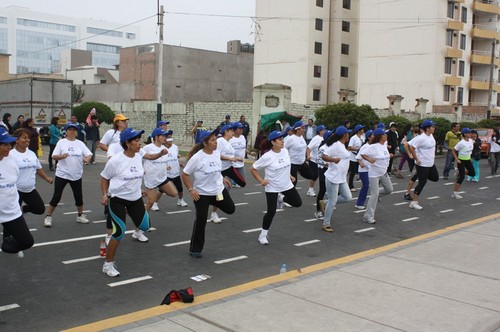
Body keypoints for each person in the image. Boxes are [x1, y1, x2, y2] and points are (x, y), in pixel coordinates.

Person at [100, 128, 150, 277]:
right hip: (117, 200)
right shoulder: (115, 160)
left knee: (145, 226)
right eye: (136, 140)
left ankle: (127, 213)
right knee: (119, 232)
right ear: (127, 143)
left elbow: (135, 176)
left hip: (135, 199)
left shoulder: (138, 156)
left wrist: (139, 189)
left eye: (139, 140)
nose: (139, 143)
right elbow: (104, 178)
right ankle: (108, 264)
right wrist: (104, 194)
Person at [181, 129, 236, 258]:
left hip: (217, 191)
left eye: (216, 139)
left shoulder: (216, 153)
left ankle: (213, 201)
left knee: (230, 209)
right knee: (201, 221)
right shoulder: (197, 158)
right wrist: (191, 189)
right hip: (202, 194)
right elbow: (185, 174)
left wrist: (222, 178)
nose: (215, 142)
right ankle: (195, 249)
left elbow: (216, 170)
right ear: (205, 143)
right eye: (212, 140)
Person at [251, 130, 302, 245]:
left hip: (286, 185)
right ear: (273, 142)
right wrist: (261, 180)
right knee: (271, 211)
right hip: (272, 187)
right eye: (279, 139)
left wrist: (289, 175)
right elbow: (253, 168)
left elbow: (284, 165)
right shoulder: (267, 156)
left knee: (298, 203)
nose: (282, 141)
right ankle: (262, 235)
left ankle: (281, 198)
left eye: (282, 139)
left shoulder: (285, 151)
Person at [43, 123, 92, 227]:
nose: (72, 131)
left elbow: (89, 155)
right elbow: (54, 156)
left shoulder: (80, 143)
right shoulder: (61, 142)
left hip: (76, 175)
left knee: (79, 197)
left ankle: (80, 215)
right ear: (66, 131)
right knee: (56, 196)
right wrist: (61, 157)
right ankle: (48, 217)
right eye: (70, 129)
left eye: (74, 130)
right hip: (62, 174)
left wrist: (86, 159)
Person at [0, 127, 34, 257]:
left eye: (10, 143)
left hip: (11, 211)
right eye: (5, 144)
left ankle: (5, 244)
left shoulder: (12, 160)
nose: (9, 147)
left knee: (26, 241)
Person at [11, 128, 53, 216]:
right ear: (17, 140)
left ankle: (24, 208)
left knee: (39, 209)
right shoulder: (11, 154)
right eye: (24, 138)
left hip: (29, 189)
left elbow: (38, 168)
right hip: (15, 190)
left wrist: (46, 178)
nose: (27, 140)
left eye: (28, 138)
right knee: (14, 217)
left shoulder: (31, 154)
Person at [210, 123, 246, 223]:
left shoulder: (229, 142)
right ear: (226, 131)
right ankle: (214, 213)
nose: (233, 133)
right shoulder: (220, 141)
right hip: (220, 169)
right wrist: (230, 158)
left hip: (229, 167)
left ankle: (224, 194)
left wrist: (236, 159)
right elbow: (217, 155)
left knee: (242, 183)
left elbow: (231, 154)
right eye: (231, 131)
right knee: (219, 192)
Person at [321, 126, 353, 232]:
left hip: (341, 178)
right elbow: (324, 156)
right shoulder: (336, 145)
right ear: (344, 135)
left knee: (348, 197)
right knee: (333, 201)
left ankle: (325, 202)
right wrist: (333, 160)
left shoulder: (342, 145)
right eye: (347, 133)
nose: (349, 135)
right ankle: (326, 223)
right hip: (333, 178)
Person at [360, 128, 393, 224]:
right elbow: (362, 154)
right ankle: (367, 216)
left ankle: (377, 194)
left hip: (383, 172)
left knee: (389, 190)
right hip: (374, 174)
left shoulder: (384, 145)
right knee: (374, 195)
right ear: (380, 136)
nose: (386, 136)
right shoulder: (373, 146)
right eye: (384, 134)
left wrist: (389, 155)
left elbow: (382, 156)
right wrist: (369, 159)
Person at [142, 128, 176, 217]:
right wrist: (142, 170)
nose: (165, 138)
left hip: (162, 179)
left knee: (173, 193)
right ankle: (141, 225)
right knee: (150, 202)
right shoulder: (147, 148)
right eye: (163, 135)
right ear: (156, 137)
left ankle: (147, 193)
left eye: (165, 136)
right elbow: (139, 160)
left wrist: (166, 166)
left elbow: (162, 161)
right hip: (151, 180)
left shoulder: (164, 148)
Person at [407, 119, 439, 210]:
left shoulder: (431, 136)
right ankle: (414, 202)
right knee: (422, 182)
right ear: (427, 128)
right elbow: (411, 148)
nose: (434, 128)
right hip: (422, 164)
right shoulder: (421, 138)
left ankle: (421, 175)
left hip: (430, 163)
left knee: (435, 178)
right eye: (432, 127)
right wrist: (416, 158)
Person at [285, 121, 313, 187]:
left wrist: (307, 156)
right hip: (293, 164)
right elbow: (283, 149)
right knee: (293, 183)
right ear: (297, 129)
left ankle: (299, 171)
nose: (304, 130)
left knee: (310, 175)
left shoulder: (301, 137)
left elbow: (304, 148)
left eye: (304, 128)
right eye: (302, 128)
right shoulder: (291, 139)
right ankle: (283, 195)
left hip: (302, 163)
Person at [164, 130, 188, 207]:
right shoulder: (162, 148)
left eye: (171, 137)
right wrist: (165, 167)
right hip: (166, 173)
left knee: (180, 188)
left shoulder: (175, 147)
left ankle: (180, 200)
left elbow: (175, 158)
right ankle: (155, 203)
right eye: (168, 138)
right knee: (161, 190)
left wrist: (179, 163)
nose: (170, 139)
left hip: (175, 172)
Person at [451, 128, 475, 199]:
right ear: (465, 134)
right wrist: (457, 159)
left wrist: (470, 157)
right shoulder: (461, 143)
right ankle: (455, 193)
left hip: (467, 160)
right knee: (462, 177)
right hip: (461, 160)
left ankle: (460, 172)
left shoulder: (470, 140)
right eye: (469, 133)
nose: (470, 134)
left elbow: (469, 150)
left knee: (472, 173)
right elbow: (453, 151)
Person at [314, 129, 332, 219]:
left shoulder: (333, 146)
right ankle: (318, 211)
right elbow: (318, 159)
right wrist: (326, 163)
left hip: (332, 172)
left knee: (332, 191)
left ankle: (327, 206)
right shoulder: (323, 147)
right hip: (323, 171)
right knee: (322, 191)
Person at [354, 130, 374, 209]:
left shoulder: (374, 146)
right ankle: (359, 203)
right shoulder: (365, 146)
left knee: (370, 185)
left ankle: (374, 198)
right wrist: (361, 163)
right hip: (364, 170)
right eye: (372, 135)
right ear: (369, 137)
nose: (374, 136)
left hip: (371, 170)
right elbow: (358, 157)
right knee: (365, 186)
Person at [306, 125, 326, 197]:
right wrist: (308, 155)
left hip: (320, 161)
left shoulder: (325, 138)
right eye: (323, 129)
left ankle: (324, 189)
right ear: (320, 131)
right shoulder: (316, 138)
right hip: (313, 159)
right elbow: (308, 147)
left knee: (322, 176)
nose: (325, 130)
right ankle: (310, 190)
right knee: (315, 175)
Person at [229, 122, 247, 186]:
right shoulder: (230, 139)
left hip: (241, 163)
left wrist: (249, 152)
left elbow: (243, 148)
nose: (242, 130)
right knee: (232, 184)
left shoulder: (242, 137)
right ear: (235, 129)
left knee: (242, 182)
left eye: (242, 128)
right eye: (240, 128)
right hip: (232, 163)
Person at [347, 124, 365, 192]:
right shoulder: (353, 138)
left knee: (361, 170)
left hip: (360, 157)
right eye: (361, 129)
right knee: (353, 172)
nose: (363, 131)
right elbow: (349, 147)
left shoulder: (363, 137)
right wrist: (357, 149)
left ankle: (364, 184)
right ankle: (350, 185)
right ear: (358, 131)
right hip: (353, 157)